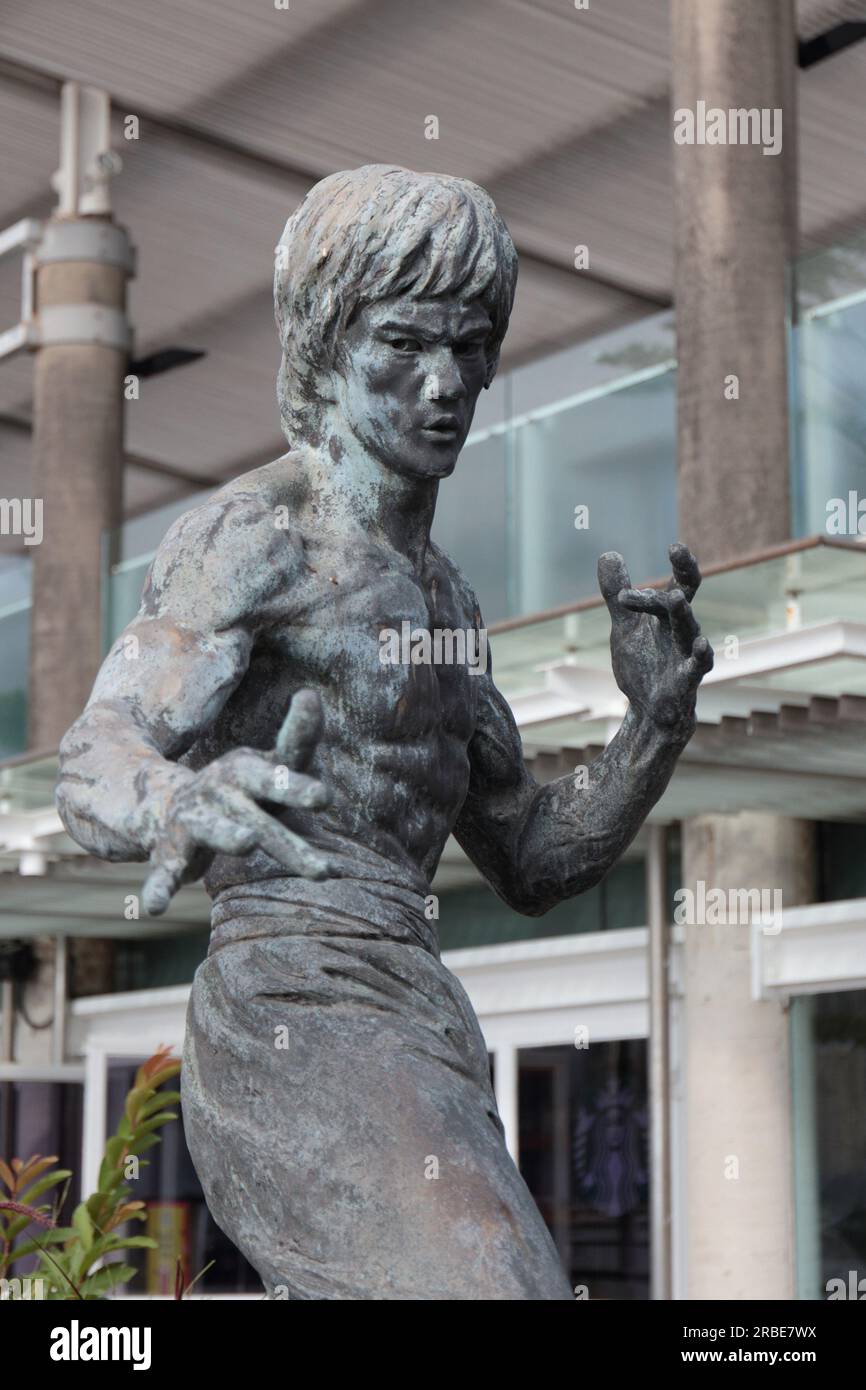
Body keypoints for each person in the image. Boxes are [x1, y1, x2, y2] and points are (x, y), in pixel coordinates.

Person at [57, 165, 713, 1299]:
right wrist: (171, 797)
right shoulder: (257, 538)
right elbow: (95, 752)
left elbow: (534, 860)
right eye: (403, 345)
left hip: (418, 1012)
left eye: (469, 348)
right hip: (290, 1010)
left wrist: (648, 729)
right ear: (323, 348)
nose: (443, 383)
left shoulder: (453, 606)